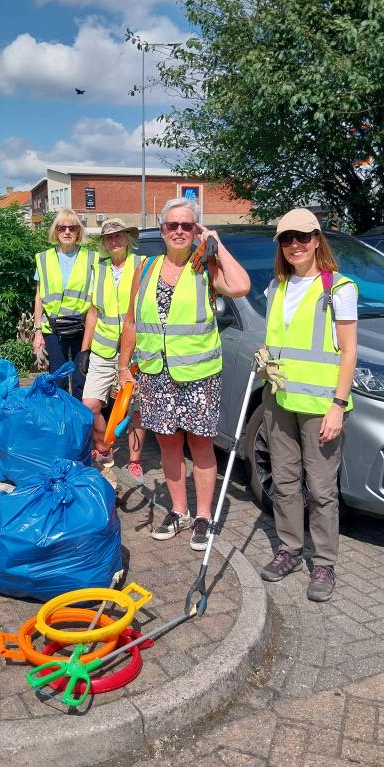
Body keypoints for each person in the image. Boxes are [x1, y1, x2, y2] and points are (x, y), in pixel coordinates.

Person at [119, 198, 250, 550]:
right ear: (162, 230)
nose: (179, 231)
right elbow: (131, 321)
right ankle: (179, 511)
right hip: (155, 373)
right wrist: (123, 366)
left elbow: (241, 286)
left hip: (198, 376)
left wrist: (217, 244)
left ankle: (203, 516)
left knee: (201, 444)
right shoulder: (145, 268)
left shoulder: (206, 266)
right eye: (172, 225)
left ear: (196, 231)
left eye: (187, 226)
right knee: (168, 444)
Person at [260, 208, 358, 602]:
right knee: (284, 482)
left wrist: (338, 405)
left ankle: (324, 562)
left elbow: (348, 352)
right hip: (279, 399)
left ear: (317, 239)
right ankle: (289, 549)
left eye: (302, 237)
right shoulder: (276, 287)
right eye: (287, 239)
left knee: (320, 489)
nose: (295, 245)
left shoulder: (339, 288)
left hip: (320, 405)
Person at [78, 218, 146, 478]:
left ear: (128, 238)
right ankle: (103, 448)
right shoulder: (99, 268)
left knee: (136, 409)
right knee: (89, 406)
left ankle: (135, 460)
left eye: (118, 235)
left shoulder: (142, 264)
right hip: (103, 349)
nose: (114, 241)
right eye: (109, 237)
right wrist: (85, 350)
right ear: (104, 243)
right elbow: (93, 312)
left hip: (137, 350)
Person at [33, 209, 96, 401]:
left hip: (81, 327)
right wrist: (37, 331)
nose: (67, 232)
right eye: (62, 228)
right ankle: (60, 414)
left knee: (80, 378)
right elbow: (39, 296)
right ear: (56, 231)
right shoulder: (43, 258)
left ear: (78, 232)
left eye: (72, 228)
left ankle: (79, 415)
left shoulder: (92, 258)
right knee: (57, 378)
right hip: (53, 329)